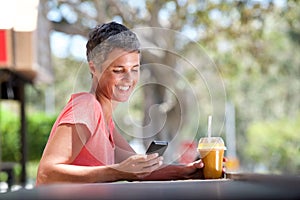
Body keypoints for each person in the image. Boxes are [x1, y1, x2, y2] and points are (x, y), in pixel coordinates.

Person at [36, 22, 207, 185]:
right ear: (94, 68)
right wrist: (116, 171)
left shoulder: (106, 121)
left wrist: (188, 171)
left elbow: (139, 172)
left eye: (135, 69)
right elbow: (46, 173)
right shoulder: (86, 106)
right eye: (118, 70)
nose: (129, 79)